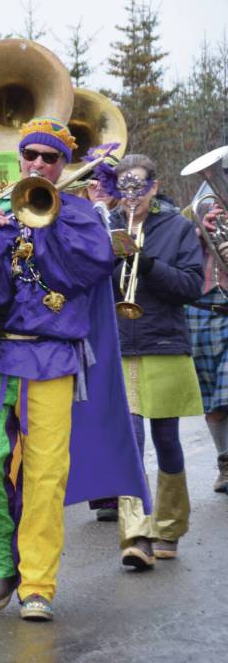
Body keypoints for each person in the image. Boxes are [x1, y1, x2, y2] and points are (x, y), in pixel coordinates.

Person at [0, 118, 150, 622]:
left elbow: (91, 269)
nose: (38, 165)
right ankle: (1, 563)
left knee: (46, 472)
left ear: (64, 164)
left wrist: (47, 220)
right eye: (30, 156)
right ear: (20, 159)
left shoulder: (80, 215)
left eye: (50, 158)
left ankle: (38, 581)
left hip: (54, 356)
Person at [106, 154, 203, 569]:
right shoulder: (107, 226)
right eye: (123, 188)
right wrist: (112, 262)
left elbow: (191, 286)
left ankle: (170, 527)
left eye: (138, 187)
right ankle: (136, 535)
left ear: (154, 186)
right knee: (131, 441)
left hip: (164, 343)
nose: (131, 196)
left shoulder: (178, 227)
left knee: (166, 439)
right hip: (122, 346)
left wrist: (146, 263)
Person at [187, 177, 228, 493]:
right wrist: (201, 233)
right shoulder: (198, 208)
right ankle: (225, 463)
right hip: (200, 310)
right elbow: (181, 258)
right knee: (211, 397)